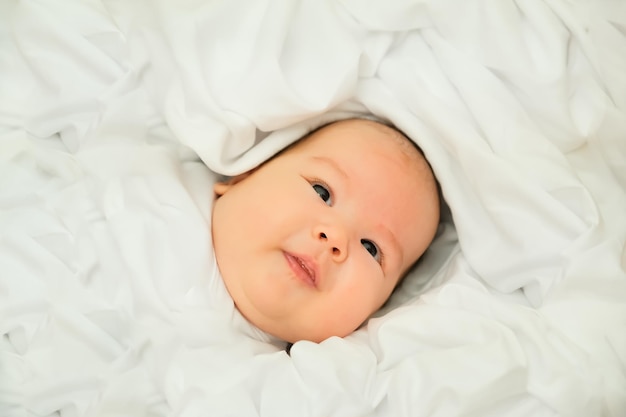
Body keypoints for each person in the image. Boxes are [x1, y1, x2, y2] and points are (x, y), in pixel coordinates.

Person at [211, 118, 440, 344]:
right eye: (322, 192)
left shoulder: (315, 377)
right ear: (245, 174)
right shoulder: (176, 197)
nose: (336, 237)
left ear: (378, 310)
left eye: (370, 248)